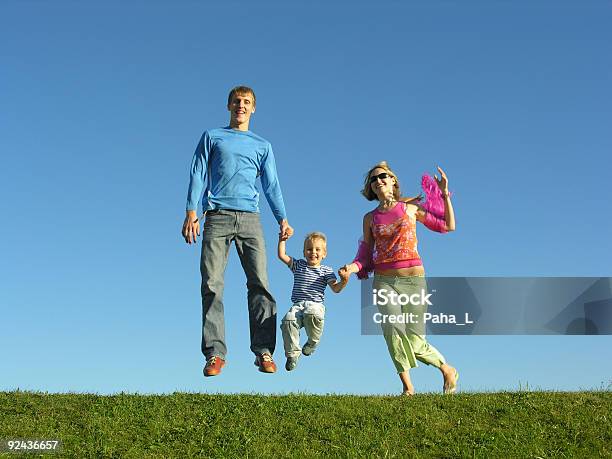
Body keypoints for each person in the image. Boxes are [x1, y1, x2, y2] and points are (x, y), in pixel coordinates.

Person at [182, 86, 293, 377]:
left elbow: (271, 185)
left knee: (261, 284)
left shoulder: (262, 146)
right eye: (236, 102)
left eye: (246, 102)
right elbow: (197, 171)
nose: (241, 106)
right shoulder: (212, 137)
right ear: (229, 106)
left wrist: (282, 218)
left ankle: (264, 351)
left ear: (253, 108)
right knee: (212, 285)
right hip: (216, 217)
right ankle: (215, 354)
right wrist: (191, 211)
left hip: (250, 219)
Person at [339, 161, 459, 395]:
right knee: (392, 333)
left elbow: (448, 226)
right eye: (373, 179)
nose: (378, 180)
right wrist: (352, 269)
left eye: (383, 176)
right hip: (384, 281)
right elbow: (366, 255)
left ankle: (446, 369)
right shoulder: (370, 218)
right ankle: (407, 388)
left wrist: (444, 193)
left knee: (414, 341)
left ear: (393, 180)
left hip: (414, 281)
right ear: (371, 188)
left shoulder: (411, 209)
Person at [277, 232, 349, 371]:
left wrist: (344, 280)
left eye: (317, 249)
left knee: (312, 313)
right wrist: (282, 240)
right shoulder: (298, 265)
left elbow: (336, 289)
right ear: (304, 252)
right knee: (288, 320)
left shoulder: (326, 271)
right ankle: (292, 354)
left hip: (315, 306)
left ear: (324, 254)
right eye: (309, 249)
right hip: (298, 306)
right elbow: (282, 255)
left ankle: (312, 343)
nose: (313, 252)